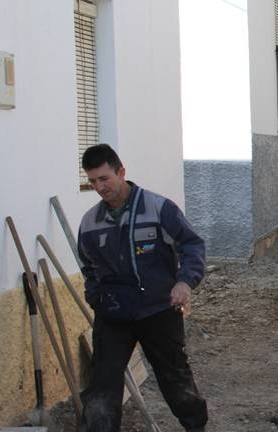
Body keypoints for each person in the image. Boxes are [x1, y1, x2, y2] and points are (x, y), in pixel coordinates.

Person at [77, 144, 208, 432]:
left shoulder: (158, 209)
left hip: (158, 310)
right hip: (113, 315)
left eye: (104, 178)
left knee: (176, 380)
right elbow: (88, 267)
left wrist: (185, 281)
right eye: (92, 181)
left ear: (121, 172)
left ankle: (196, 427)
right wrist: (96, 297)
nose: (99, 187)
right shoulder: (90, 223)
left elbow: (192, 245)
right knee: (101, 390)